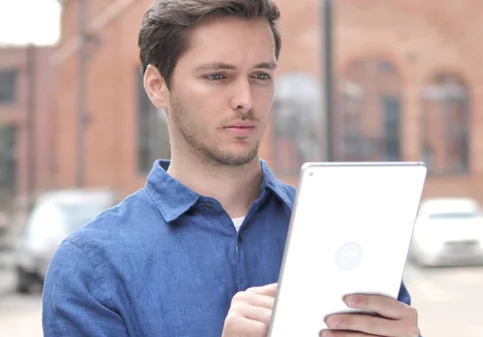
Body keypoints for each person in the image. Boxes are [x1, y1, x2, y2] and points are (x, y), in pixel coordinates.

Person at [41, 0, 421, 336]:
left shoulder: (346, 229)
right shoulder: (91, 266)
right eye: (217, 76)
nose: (246, 100)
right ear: (158, 86)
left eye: (260, 76)